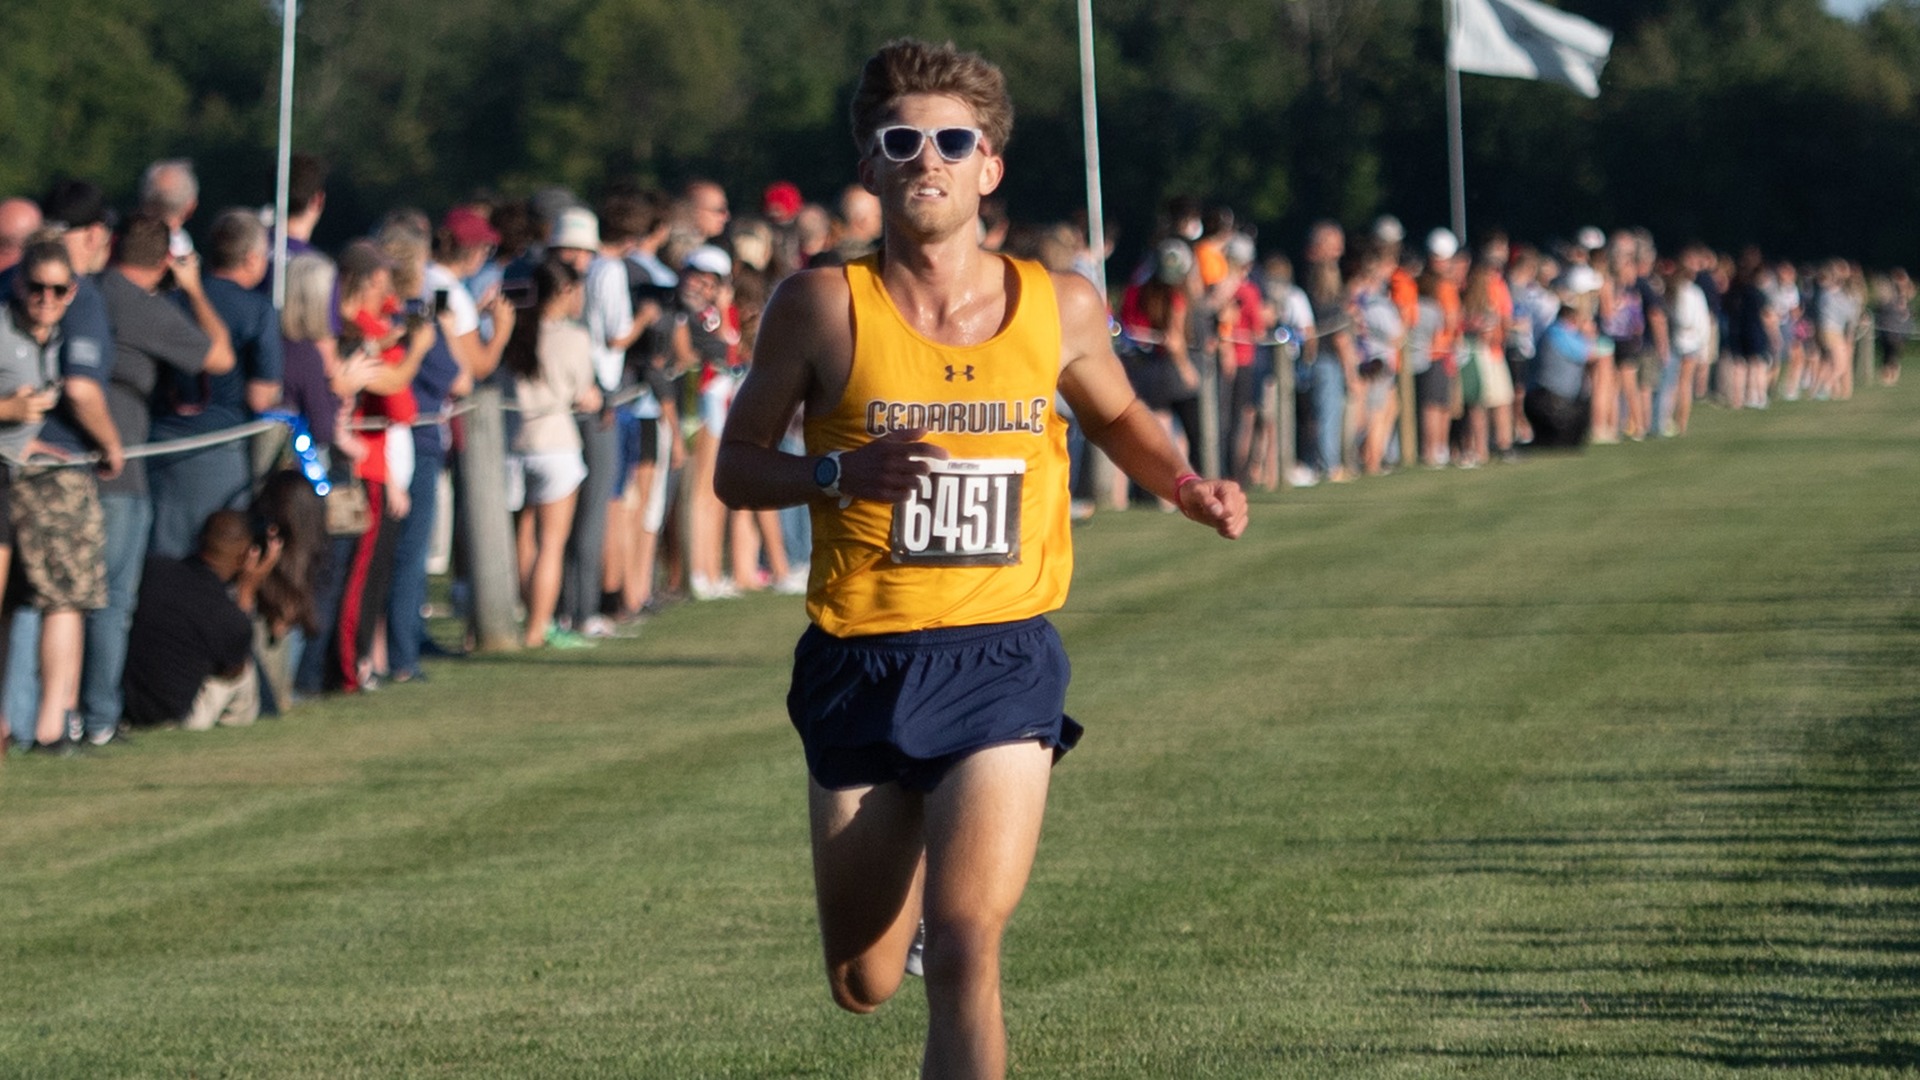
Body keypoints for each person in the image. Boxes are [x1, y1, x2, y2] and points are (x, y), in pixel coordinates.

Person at [714, 40, 1246, 1080]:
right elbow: (736, 469)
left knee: (966, 949)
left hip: (1000, 657)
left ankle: (945, 890)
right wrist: (836, 477)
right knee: (862, 983)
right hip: (861, 660)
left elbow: (1121, 414)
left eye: (953, 140)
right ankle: (907, 856)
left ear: (989, 167)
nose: (928, 159)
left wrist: (1185, 486)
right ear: (869, 169)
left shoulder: (1062, 303)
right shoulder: (819, 308)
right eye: (901, 141)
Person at [147, 208, 284, 559]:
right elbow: (260, 395)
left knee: (164, 558)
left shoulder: (172, 297)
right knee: (217, 558)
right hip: (220, 445)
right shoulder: (257, 310)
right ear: (252, 258)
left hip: (161, 441)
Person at [0, 242, 75, 751]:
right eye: (36, 287)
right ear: (19, 285)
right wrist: (8, 410)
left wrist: (33, 441)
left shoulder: (49, 337)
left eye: (58, 289)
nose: (45, 298)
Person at [503, 257, 600, 648]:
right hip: (556, 445)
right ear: (563, 291)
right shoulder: (572, 337)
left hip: (515, 445)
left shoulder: (513, 333)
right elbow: (585, 393)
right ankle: (536, 628)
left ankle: (529, 615)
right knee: (551, 544)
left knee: (523, 537)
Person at [122, 510, 280, 731]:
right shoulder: (226, 615)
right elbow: (234, 662)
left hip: (125, 707)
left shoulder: (152, 569)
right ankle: (235, 729)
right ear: (247, 556)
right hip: (174, 718)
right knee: (244, 670)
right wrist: (246, 591)